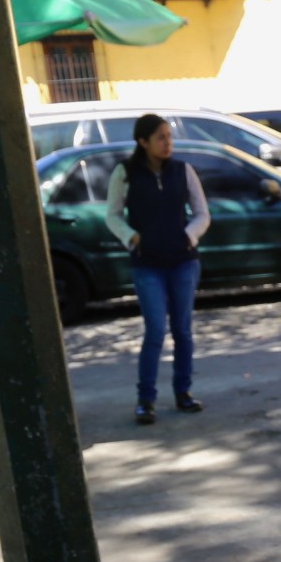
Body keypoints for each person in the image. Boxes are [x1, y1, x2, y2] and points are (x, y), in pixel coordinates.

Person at [105, 113, 209, 426]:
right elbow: (112, 215)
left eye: (169, 137)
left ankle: (183, 393)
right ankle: (145, 399)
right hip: (147, 263)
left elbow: (203, 213)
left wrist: (188, 236)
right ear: (143, 141)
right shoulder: (125, 172)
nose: (168, 143)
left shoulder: (183, 170)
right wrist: (131, 237)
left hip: (183, 261)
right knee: (155, 331)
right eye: (161, 137)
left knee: (183, 330)